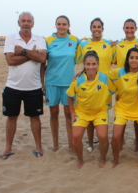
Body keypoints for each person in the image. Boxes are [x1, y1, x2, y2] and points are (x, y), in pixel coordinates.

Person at [0, 12, 47, 160]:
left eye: (29, 21)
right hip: (13, 86)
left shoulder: (39, 39)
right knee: (11, 117)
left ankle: (38, 146)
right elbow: (10, 61)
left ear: (33, 23)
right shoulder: (11, 38)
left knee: (35, 117)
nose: (26, 23)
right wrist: (32, 54)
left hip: (34, 87)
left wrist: (23, 51)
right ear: (18, 22)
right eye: (23, 21)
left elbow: (42, 58)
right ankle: (8, 148)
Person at [66, 51, 115, 169]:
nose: (91, 67)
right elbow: (70, 96)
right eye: (88, 64)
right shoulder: (77, 79)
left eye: (93, 64)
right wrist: (72, 113)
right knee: (76, 137)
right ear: (84, 65)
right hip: (82, 112)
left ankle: (103, 158)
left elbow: (119, 82)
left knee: (102, 136)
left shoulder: (105, 77)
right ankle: (80, 159)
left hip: (100, 112)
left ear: (98, 64)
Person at [41, 15, 81, 152]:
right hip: (52, 82)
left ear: (69, 26)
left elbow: (88, 54)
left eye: (64, 24)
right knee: (54, 113)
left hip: (69, 83)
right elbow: (42, 62)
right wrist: (42, 83)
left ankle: (71, 145)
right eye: (59, 24)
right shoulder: (48, 40)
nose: (61, 26)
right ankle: (55, 144)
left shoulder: (75, 40)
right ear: (55, 25)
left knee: (69, 113)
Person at [108, 48, 138, 169]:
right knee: (116, 136)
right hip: (123, 109)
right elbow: (102, 75)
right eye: (131, 57)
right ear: (127, 60)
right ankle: (116, 160)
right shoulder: (119, 72)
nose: (134, 60)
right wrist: (82, 72)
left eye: (137, 58)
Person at [76, 18, 114, 152]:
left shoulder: (109, 45)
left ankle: (103, 140)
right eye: (94, 26)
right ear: (91, 29)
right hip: (89, 84)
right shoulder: (84, 46)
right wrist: (80, 72)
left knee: (103, 113)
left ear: (102, 29)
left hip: (104, 86)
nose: (96, 29)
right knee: (89, 112)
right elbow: (83, 62)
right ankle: (91, 143)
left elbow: (117, 60)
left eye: (99, 27)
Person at [112, 19, 138, 152]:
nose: (129, 30)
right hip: (122, 85)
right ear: (123, 29)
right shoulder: (118, 45)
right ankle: (120, 141)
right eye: (127, 28)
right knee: (121, 116)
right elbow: (112, 61)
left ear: (136, 29)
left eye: (132, 28)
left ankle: (137, 141)